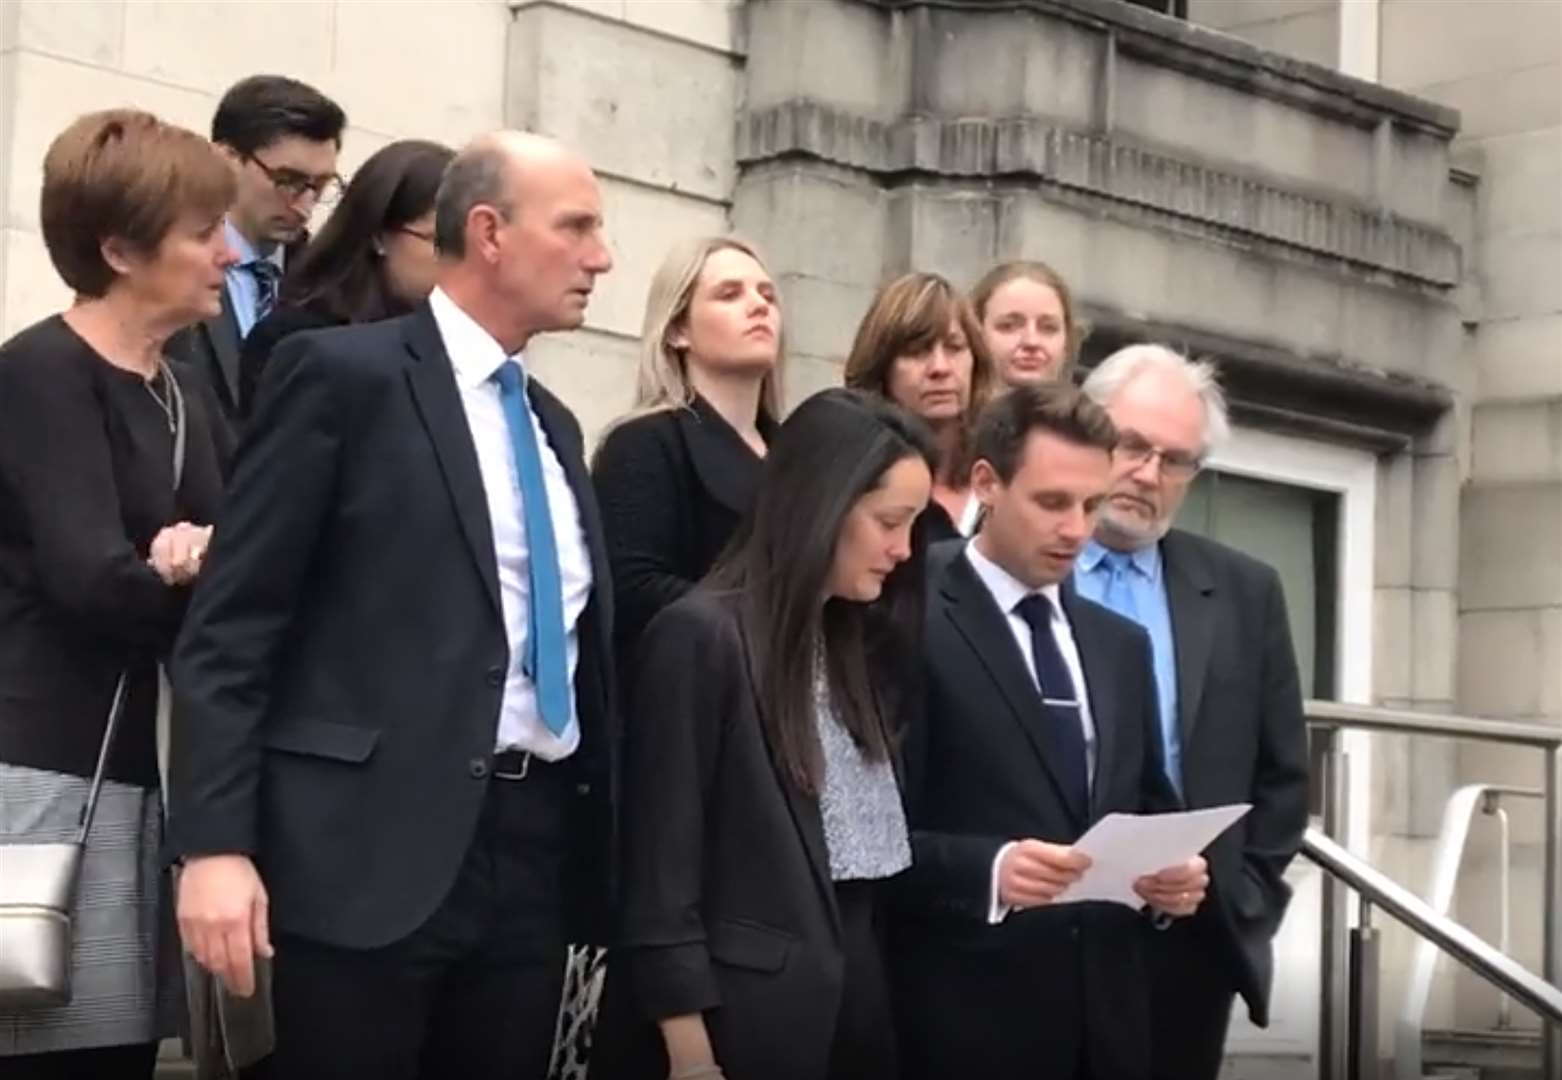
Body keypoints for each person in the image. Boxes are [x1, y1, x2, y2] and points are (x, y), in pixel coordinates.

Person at [167, 131, 617, 1080]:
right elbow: (233, 630)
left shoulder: (554, 426)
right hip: (358, 858)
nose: (601, 256)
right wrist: (214, 846)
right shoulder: (341, 377)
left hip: (529, 859)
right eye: (576, 227)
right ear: (489, 232)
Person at [593, 388, 937, 1080]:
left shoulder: (853, 646)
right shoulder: (700, 637)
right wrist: (687, 1049)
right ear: (823, 503)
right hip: (735, 1023)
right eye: (889, 522)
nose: (903, 549)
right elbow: (662, 872)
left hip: (856, 1011)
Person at [0, 109, 235, 1078]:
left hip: (150, 774)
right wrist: (190, 569)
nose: (227, 251)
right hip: (45, 770)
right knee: (48, 1042)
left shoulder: (184, 389)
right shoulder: (40, 372)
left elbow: (237, 562)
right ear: (120, 249)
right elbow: (92, 581)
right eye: (199, 232)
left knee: (121, 1049)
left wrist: (200, 561)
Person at [890, 383, 1209, 1080]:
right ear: (987, 484)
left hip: (1109, 1030)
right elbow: (862, 834)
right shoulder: (903, 611)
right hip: (957, 1027)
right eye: (1052, 502)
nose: (1077, 529)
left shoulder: (1120, 645)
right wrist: (992, 872)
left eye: (1091, 505)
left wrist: (1172, 881)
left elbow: (1149, 805)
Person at [1078, 345, 1308, 1080]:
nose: (1147, 473)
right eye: (1132, 445)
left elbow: (1283, 775)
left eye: (1174, 460)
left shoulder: (1245, 593)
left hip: (1186, 946)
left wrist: (1240, 902)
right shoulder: (1016, 569)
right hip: (1040, 935)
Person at [593, 234, 785, 658]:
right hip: (694, 694)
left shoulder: (797, 451)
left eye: (767, 294)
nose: (759, 306)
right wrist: (769, 619)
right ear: (679, 329)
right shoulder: (643, 443)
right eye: (729, 294)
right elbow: (633, 588)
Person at [168, 74, 347, 431]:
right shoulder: (167, 264)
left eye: (321, 185)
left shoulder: (329, 285)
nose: (306, 204)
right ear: (226, 158)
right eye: (288, 181)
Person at [239, 138, 455, 415]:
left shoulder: (463, 345)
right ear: (379, 235)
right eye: (441, 243)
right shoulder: (297, 340)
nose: (459, 262)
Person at [844, 271, 995, 542]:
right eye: (917, 351)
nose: (940, 368)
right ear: (882, 367)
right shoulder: (850, 484)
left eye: (955, 347)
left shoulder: (1002, 478)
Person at [971, 259, 1082, 387]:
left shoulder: (1090, 406)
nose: (1031, 342)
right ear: (975, 334)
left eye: (1048, 328)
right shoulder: (949, 406)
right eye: (1008, 326)